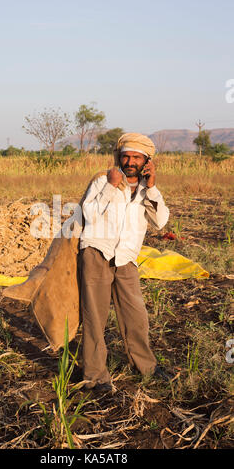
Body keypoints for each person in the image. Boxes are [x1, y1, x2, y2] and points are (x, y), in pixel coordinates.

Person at [79, 132, 171, 393]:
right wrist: (110, 185)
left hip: (127, 258)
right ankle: (95, 376)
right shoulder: (101, 181)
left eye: (137, 157)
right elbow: (89, 214)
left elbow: (160, 221)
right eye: (126, 156)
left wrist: (152, 186)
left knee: (136, 315)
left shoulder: (147, 190)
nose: (130, 161)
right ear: (118, 157)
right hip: (97, 252)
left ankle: (146, 367)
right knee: (94, 316)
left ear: (147, 162)